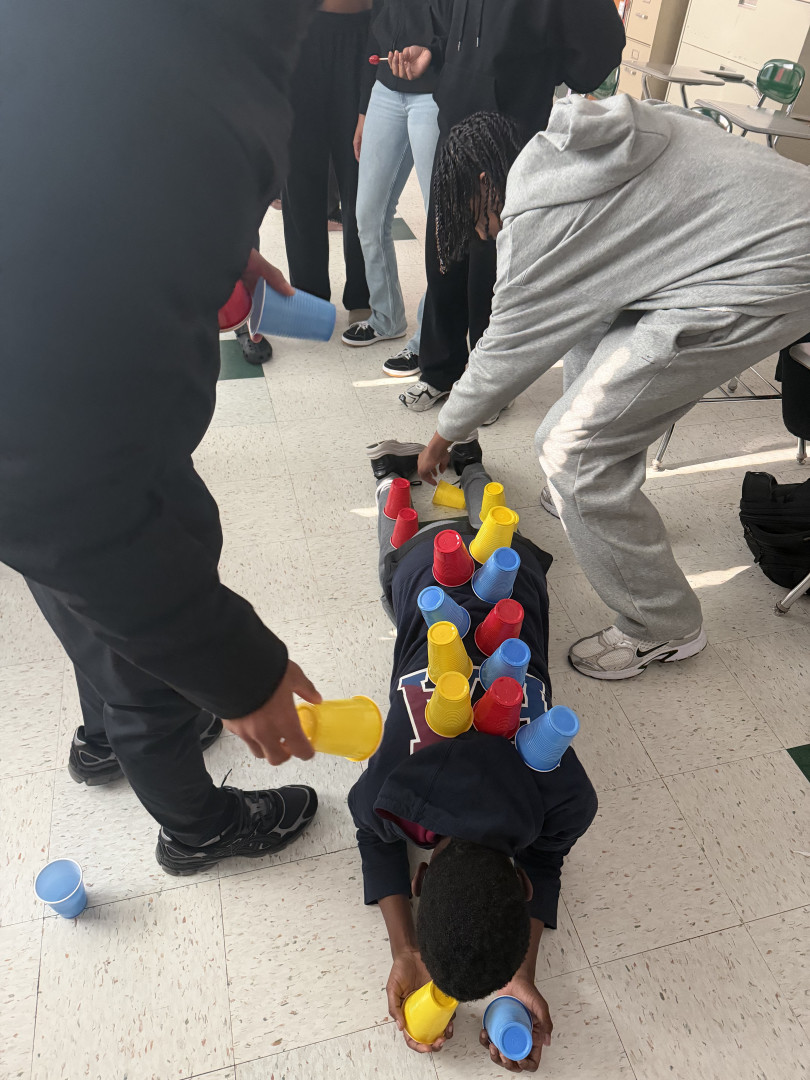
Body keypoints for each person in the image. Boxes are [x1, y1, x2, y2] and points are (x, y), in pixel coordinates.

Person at [2, 0, 325, 874]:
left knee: (94, 619)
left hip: (69, 432)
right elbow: (57, 504)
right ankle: (197, 827)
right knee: (145, 661)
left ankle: (103, 737)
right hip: (65, 463)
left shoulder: (127, 49)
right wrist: (235, 670)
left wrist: (197, 245)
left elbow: (85, 192)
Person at [417, 99, 810, 680]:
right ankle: (585, 499)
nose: (482, 230)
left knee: (569, 450)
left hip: (764, 273)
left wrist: (443, 435)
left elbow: (506, 347)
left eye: (472, 214)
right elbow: (584, 314)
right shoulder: (578, 151)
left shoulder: (539, 216)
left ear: (484, 181)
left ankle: (663, 625)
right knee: (594, 329)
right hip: (776, 227)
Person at [349, 439, 598, 1069]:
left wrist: (416, 954)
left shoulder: (564, 797)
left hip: (517, 576)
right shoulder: (392, 792)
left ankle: (471, 465)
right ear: (421, 879)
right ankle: (391, 484)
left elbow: (543, 861)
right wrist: (407, 948)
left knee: (491, 522)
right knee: (397, 563)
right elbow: (373, 835)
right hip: (421, 570)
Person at [389, 0, 625, 410]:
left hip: (508, 138)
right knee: (444, 255)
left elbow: (602, 41)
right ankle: (440, 372)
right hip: (455, 128)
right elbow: (459, 33)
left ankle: (488, 389)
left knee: (492, 271)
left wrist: (547, 70)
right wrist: (435, 54)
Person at [341, 0, 440, 383]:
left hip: (435, 92)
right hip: (385, 88)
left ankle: (430, 337)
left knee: (439, 226)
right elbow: (376, 27)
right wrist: (364, 110)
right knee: (367, 214)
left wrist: (434, 52)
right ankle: (386, 316)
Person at [282, 0, 371, 313]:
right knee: (300, 174)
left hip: (362, 29)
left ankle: (364, 295)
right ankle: (308, 297)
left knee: (360, 171)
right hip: (299, 32)